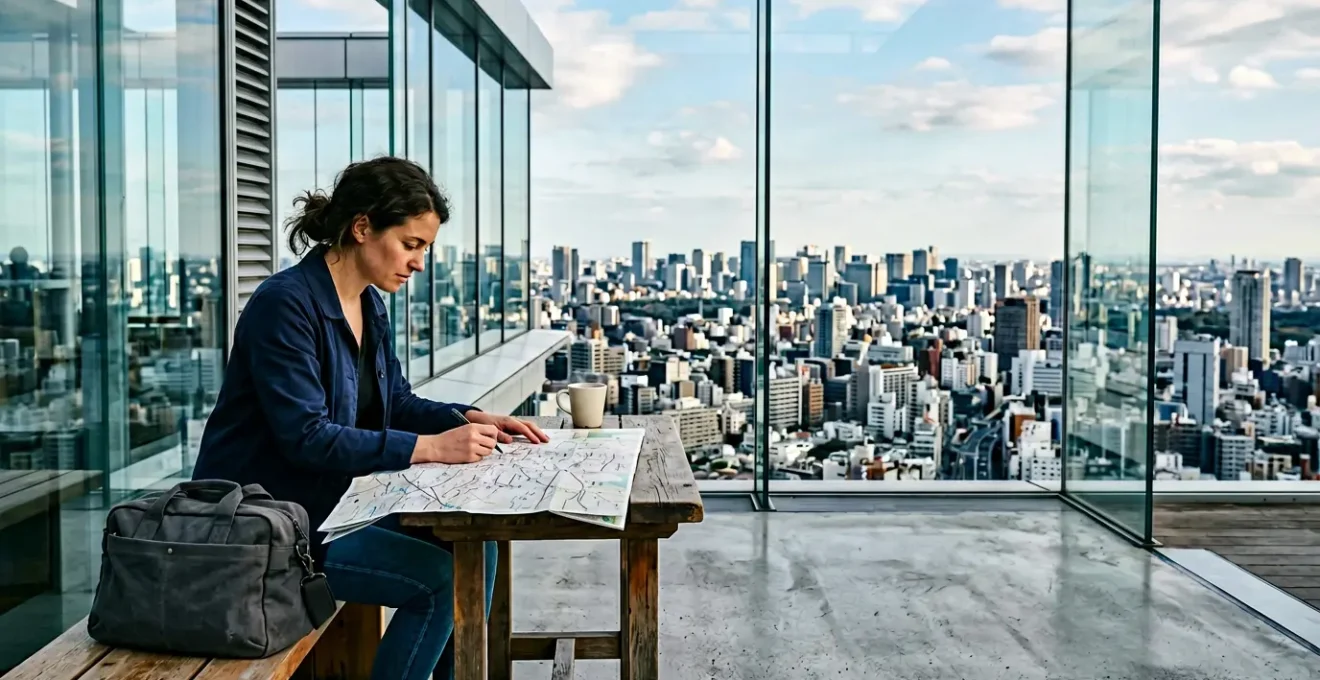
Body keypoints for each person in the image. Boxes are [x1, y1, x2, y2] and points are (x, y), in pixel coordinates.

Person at [193, 156, 550, 680]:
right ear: (362, 228)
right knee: (439, 580)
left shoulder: (367, 304)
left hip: (333, 505)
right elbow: (307, 438)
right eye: (411, 244)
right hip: (269, 527)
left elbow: (396, 402)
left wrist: (471, 417)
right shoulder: (284, 306)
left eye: (425, 248)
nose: (419, 263)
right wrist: (432, 447)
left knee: (478, 544)